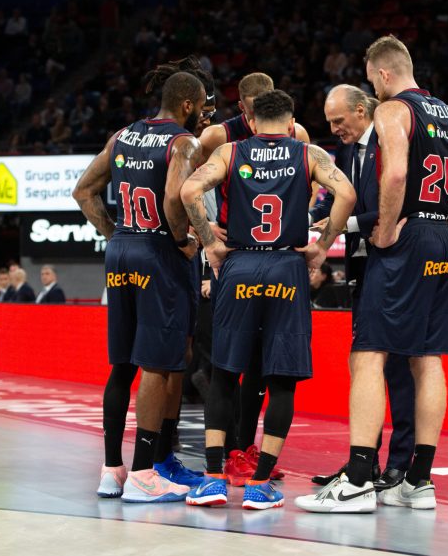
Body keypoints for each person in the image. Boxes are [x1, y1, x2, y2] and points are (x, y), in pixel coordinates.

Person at [297, 35, 448, 513]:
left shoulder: (394, 111)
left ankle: (357, 479)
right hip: (440, 239)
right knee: (428, 357)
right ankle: (418, 479)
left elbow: (394, 176)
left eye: (373, 78)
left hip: (408, 237)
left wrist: (387, 230)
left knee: (369, 353)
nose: (373, 86)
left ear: (384, 74)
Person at [181, 89, 355, 509]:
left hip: (239, 264)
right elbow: (346, 195)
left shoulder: (230, 151)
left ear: (254, 121)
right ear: (292, 121)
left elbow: (189, 191)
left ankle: (213, 479)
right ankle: (259, 484)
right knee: (280, 379)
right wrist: (322, 244)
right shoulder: (308, 152)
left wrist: (209, 243)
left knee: (224, 373)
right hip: (286, 268)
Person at [73, 69, 206, 503]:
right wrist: (184, 239)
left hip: (122, 251)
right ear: (188, 105)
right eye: (202, 106)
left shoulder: (122, 136)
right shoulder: (181, 142)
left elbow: (83, 192)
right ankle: (146, 473)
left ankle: (113, 469)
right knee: (159, 363)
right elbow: (173, 199)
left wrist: (114, 233)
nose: (203, 113)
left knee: (124, 365)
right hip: (158, 253)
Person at [197, 72, 311, 481]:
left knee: (257, 372)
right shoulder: (219, 138)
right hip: (239, 257)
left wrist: (306, 224)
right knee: (226, 367)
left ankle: (241, 454)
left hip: (245, 259)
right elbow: (185, 181)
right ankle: (228, 458)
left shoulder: (296, 135)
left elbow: (186, 187)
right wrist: (206, 233)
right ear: (242, 108)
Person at [309, 83, 414, 492]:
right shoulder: (348, 151)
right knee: (366, 367)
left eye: (339, 120)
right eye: (330, 122)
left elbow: (397, 205)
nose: (334, 128)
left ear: (361, 109)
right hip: (362, 264)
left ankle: (400, 464)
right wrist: (308, 216)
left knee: (397, 367)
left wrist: (340, 224)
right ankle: (363, 463)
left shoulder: (390, 144)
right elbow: (330, 199)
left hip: (394, 263)